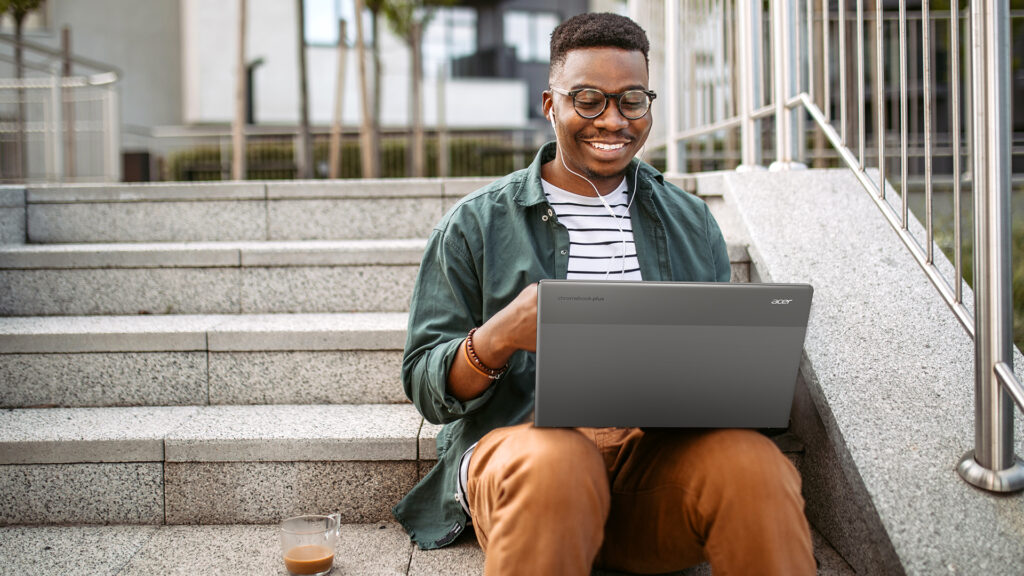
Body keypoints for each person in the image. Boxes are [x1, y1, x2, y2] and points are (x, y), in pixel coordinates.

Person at [393, 12, 816, 576]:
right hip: (528, 453)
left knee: (755, 466)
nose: (613, 120)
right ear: (551, 105)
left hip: (655, 463)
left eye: (632, 100)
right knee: (558, 462)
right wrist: (498, 336)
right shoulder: (475, 225)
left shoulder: (691, 221)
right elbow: (426, 384)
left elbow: (722, 372)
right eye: (588, 99)